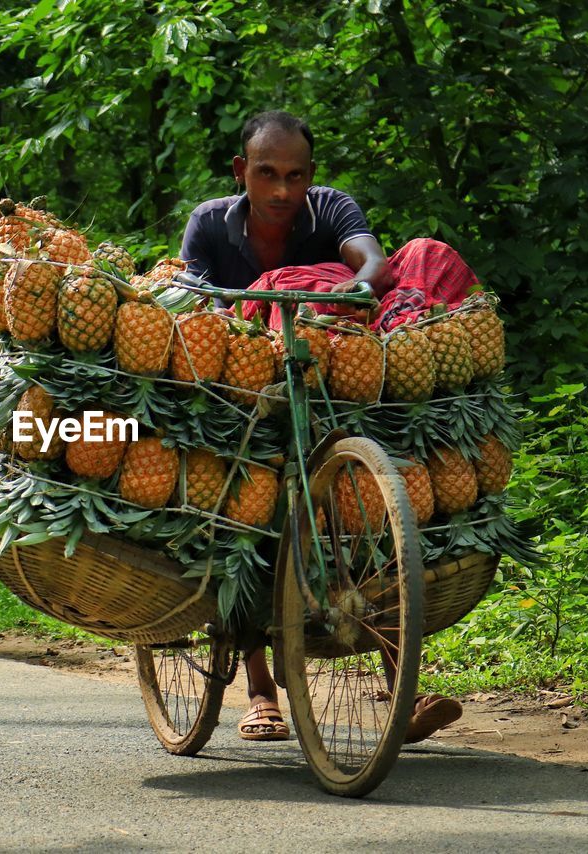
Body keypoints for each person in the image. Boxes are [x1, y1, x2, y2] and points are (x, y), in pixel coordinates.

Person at [180, 110, 467, 743]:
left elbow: (373, 262)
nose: (282, 190)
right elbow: (192, 296)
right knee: (241, 517)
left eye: (295, 175)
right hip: (242, 393)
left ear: (310, 176)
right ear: (241, 172)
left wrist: (346, 292)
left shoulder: (331, 207)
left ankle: (402, 688)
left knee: (368, 511)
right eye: (266, 174)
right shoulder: (209, 223)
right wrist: (238, 312)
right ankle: (258, 691)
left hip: (336, 386)